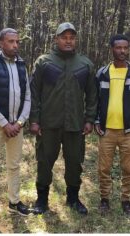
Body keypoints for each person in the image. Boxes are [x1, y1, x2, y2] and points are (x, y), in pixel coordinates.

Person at [29, 22, 97, 215]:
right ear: (56, 39)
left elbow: (92, 95)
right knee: (44, 162)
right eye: (64, 37)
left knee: (75, 163)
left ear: (75, 40)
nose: (68, 41)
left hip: (75, 125)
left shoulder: (85, 64)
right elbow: (34, 93)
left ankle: (73, 199)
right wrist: (34, 119)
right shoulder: (44, 62)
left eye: (71, 38)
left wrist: (89, 120)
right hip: (48, 124)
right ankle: (41, 200)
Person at [0, 28, 31, 225]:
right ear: (1, 43)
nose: (15, 45)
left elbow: (27, 96)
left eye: (17, 41)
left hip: (16, 127)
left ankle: (14, 201)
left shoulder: (21, 65)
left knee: (14, 165)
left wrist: (19, 122)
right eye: (11, 41)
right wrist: (4, 123)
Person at [94, 34, 130, 219]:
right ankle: (104, 199)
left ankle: (126, 201)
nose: (122, 51)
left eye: (125, 47)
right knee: (104, 168)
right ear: (112, 49)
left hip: (129, 132)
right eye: (118, 47)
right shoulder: (102, 74)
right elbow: (95, 101)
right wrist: (96, 121)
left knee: (128, 168)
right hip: (107, 131)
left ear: (128, 49)